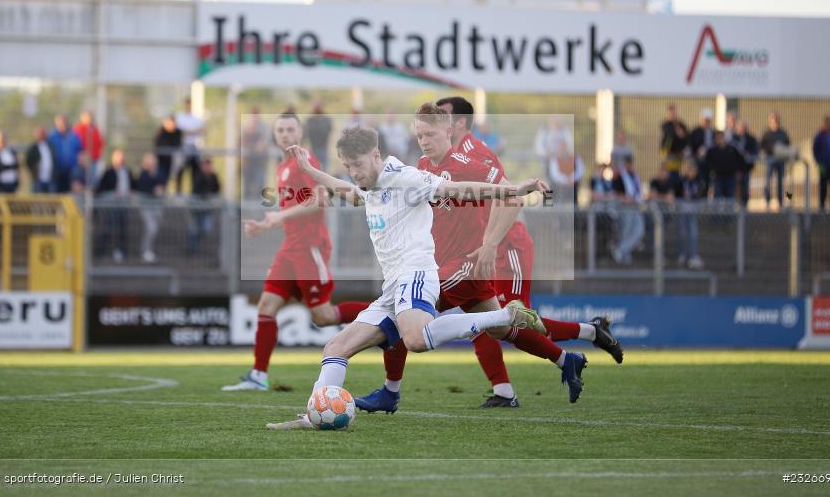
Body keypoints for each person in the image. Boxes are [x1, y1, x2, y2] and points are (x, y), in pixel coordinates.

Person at [265, 126, 549, 430]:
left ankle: (506, 314)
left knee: (415, 339)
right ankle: (314, 417)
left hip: (416, 274)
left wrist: (514, 190)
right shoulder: (371, 183)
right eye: (348, 166)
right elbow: (348, 191)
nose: (354, 172)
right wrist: (310, 169)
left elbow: (458, 189)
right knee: (335, 349)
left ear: (376, 155)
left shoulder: (406, 178)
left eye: (357, 165)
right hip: (393, 286)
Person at [356, 103, 593, 416]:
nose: (423, 140)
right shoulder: (423, 165)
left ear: (449, 130)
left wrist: (490, 244)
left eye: (429, 134)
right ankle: (566, 359)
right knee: (500, 329)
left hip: (464, 265)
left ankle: (390, 391)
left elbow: (512, 196)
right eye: (419, 135)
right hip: (447, 264)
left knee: (406, 310)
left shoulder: (467, 163)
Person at [224, 113, 370, 392]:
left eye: (290, 129)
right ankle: (258, 375)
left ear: (300, 132)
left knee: (323, 316)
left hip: (309, 246)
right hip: (290, 248)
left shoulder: (305, 160)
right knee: (266, 306)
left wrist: (278, 218)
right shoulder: (282, 167)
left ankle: (383, 313)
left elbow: (322, 199)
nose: (284, 134)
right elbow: (292, 210)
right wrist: (267, 224)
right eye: (279, 130)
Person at [95, 149, 134, 263]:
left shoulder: (128, 172)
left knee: (123, 228)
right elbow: (101, 188)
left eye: (122, 157)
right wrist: (113, 192)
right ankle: (102, 251)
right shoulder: (108, 172)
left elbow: (134, 184)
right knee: (109, 227)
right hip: (112, 204)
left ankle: (121, 251)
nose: (121, 160)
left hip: (124, 204)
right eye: (118, 157)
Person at [611, 156, 644, 265]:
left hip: (635, 206)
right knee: (626, 231)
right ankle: (624, 254)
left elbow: (638, 191)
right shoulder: (619, 176)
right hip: (625, 207)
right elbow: (615, 192)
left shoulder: (634, 176)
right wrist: (624, 198)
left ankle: (620, 250)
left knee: (639, 230)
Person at [186, 157, 220, 255]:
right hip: (196, 209)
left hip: (207, 209)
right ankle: (191, 249)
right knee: (194, 229)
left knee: (206, 229)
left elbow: (217, 189)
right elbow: (196, 190)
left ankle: (195, 245)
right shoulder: (197, 176)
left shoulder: (213, 176)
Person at [676, 160, 706, 269]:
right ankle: (682, 254)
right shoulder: (681, 181)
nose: (690, 172)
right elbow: (677, 193)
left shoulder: (699, 181)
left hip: (693, 210)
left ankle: (693, 255)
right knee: (682, 232)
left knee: (693, 233)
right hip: (683, 210)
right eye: (689, 169)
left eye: (692, 170)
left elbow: (699, 194)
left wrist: (692, 196)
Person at [136, 153, 165, 263]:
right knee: (151, 228)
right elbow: (142, 187)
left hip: (156, 205)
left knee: (154, 229)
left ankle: (149, 249)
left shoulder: (159, 173)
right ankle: (145, 250)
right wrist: (153, 190)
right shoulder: (143, 174)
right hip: (146, 205)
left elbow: (162, 183)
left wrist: (160, 189)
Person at [760, 111, 791, 208]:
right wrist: (771, 149)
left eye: (776, 120)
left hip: (780, 161)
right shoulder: (766, 133)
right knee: (768, 181)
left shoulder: (783, 133)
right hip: (770, 160)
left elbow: (787, 144)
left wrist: (781, 150)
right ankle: (767, 200)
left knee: (780, 182)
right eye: (773, 120)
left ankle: (780, 202)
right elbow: (762, 145)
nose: (775, 122)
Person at [175, 97, 205, 193]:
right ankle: (178, 193)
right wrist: (193, 131)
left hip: (193, 147)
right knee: (180, 171)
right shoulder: (178, 117)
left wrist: (188, 132)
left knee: (195, 171)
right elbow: (179, 133)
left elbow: (202, 131)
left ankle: (194, 193)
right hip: (182, 147)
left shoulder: (196, 119)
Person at [48, 115, 83, 193]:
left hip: (71, 170)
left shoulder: (74, 136)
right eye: (59, 123)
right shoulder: (51, 137)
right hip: (57, 170)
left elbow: (80, 151)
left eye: (64, 122)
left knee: (70, 193)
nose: (62, 125)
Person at [705, 130, 743, 200]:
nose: (720, 140)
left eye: (721, 137)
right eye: (718, 138)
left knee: (730, 196)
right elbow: (708, 162)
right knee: (718, 196)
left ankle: (730, 211)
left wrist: (738, 171)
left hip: (730, 176)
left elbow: (739, 160)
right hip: (718, 176)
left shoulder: (732, 149)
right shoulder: (712, 151)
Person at [241, 107, 270, 200]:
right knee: (247, 187)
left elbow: (263, 145)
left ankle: (260, 211)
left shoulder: (264, 127)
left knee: (260, 185)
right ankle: (247, 211)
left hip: (260, 162)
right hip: (248, 163)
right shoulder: (246, 127)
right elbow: (242, 143)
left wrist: (256, 146)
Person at [731, 120, 759, 206]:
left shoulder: (751, 139)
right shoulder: (733, 139)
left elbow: (755, 152)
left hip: (746, 168)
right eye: (740, 127)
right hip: (735, 169)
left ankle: (744, 206)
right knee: (736, 188)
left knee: (745, 188)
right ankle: (736, 206)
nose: (742, 129)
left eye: (743, 127)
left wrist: (748, 154)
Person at [659, 104, 688, 187]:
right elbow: (669, 134)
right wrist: (677, 132)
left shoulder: (681, 125)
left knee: (678, 175)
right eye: (671, 113)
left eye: (674, 113)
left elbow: (685, 137)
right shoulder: (666, 125)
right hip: (669, 154)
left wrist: (682, 135)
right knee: (669, 175)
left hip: (679, 155)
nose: (673, 115)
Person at [25, 126, 56, 193]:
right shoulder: (33, 148)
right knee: (38, 200)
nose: (42, 135)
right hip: (38, 180)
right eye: (39, 133)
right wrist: (34, 172)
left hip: (50, 179)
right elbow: (28, 162)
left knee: (52, 201)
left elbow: (54, 160)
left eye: (43, 133)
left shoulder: (50, 146)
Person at [154, 116, 182, 189]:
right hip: (162, 161)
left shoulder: (177, 132)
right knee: (161, 180)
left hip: (172, 161)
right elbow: (159, 144)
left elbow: (177, 145)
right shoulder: (161, 132)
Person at [688, 109, 714, 186]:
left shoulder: (712, 131)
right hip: (697, 161)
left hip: (709, 161)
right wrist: (697, 152)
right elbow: (691, 144)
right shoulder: (695, 131)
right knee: (699, 181)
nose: (706, 122)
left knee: (707, 181)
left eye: (708, 120)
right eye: (705, 120)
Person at [304, 102, 333, 169]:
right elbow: (306, 134)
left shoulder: (326, 119)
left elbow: (328, 131)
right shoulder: (309, 120)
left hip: (323, 148)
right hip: (312, 148)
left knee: (324, 170)